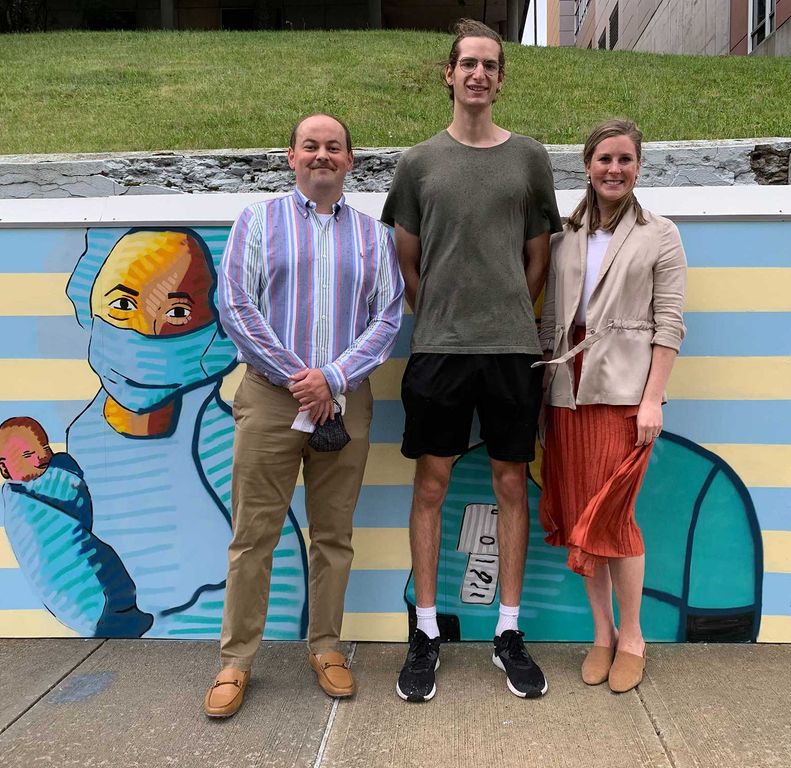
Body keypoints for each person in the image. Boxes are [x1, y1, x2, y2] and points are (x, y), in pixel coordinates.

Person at [381, 19, 562, 702]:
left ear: (501, 78)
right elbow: (408, 260)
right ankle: (425, 631)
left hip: (513, 352)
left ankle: (508, 631)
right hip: (439, 351)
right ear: (449, 76)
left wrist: (509, 311)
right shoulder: (419, 163)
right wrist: (446, 319)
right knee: (431, 485)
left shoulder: (530, 159)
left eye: (491, 65)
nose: (479, 74)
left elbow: (538, 254)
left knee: (513, 486)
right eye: (468, 64)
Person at [205, 113, 404, 718]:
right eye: (311, 146)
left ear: (350, 160)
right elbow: (234, 304)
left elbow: (388, 316)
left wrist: (333, 380)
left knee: (333, 536)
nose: (323, 155)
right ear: (291, 157)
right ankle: (236, 660)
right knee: (253, 536)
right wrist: (302, 379)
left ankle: (326, 645)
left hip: (346, 402)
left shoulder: (374, 237)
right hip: (270, 399)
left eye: (335, 147)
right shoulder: (257, 223)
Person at [66, 228, 309, 641]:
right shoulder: (75, 446)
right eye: (122, 305)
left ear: (216, 330)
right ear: (87, 303)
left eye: (177, 314)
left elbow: (282, 591)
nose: (146, 331)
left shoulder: (226, 449)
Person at [538, 118, 687, 693]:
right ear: (587, 165)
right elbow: (552, 321)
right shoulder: (564, 237)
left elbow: (669, 324)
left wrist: (653, 400)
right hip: (567, 394)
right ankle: (601, 633)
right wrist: (542, 402)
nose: (614, 169)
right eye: (604, 159)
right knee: (580, 517)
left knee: (614, 518)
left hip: (625, 396)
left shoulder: (659, 234)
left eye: (625, 159)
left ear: (638, 166)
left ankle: (633, 638)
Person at [0, 417, 151, 637]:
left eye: (46, 448)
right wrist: (64, 465)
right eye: (28, 455)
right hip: (93, 602)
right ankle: (112, 614)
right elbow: (73, 492)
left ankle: (120, 614)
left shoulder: (42, 485)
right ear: (4, 467)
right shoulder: (22, 502)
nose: (41, 458)